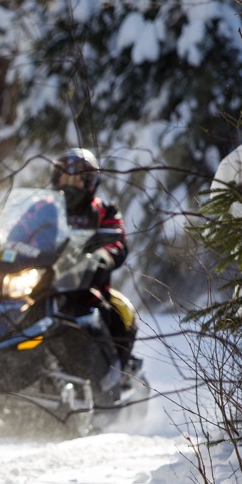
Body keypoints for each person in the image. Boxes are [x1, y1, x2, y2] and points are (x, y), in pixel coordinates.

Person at [49, 147, 139, 370]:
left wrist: (102, 258)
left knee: (117, 318)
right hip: (41, 284)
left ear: (90, 182)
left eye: (77, 178)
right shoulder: (44, 208)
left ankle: (113, 374)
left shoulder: (103, 210)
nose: (70, 184)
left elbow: (117, 241)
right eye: (65, 177)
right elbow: (18, 230)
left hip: (85, 287)